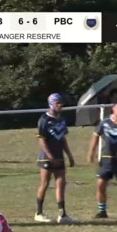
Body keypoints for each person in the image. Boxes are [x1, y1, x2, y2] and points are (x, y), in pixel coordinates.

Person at [35, 93, 75, 224]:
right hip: (46, 158)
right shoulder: (44, 120)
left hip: (59, 157)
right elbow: (42, 141)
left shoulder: (61, 120)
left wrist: (69, 155)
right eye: (58, 103)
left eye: (61, 103)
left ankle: (62, 214)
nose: (60, 105)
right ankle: (39, 212)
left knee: (61, 184)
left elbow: (62, 138)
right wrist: (50, 157)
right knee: (45, 184)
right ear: (51, 104)